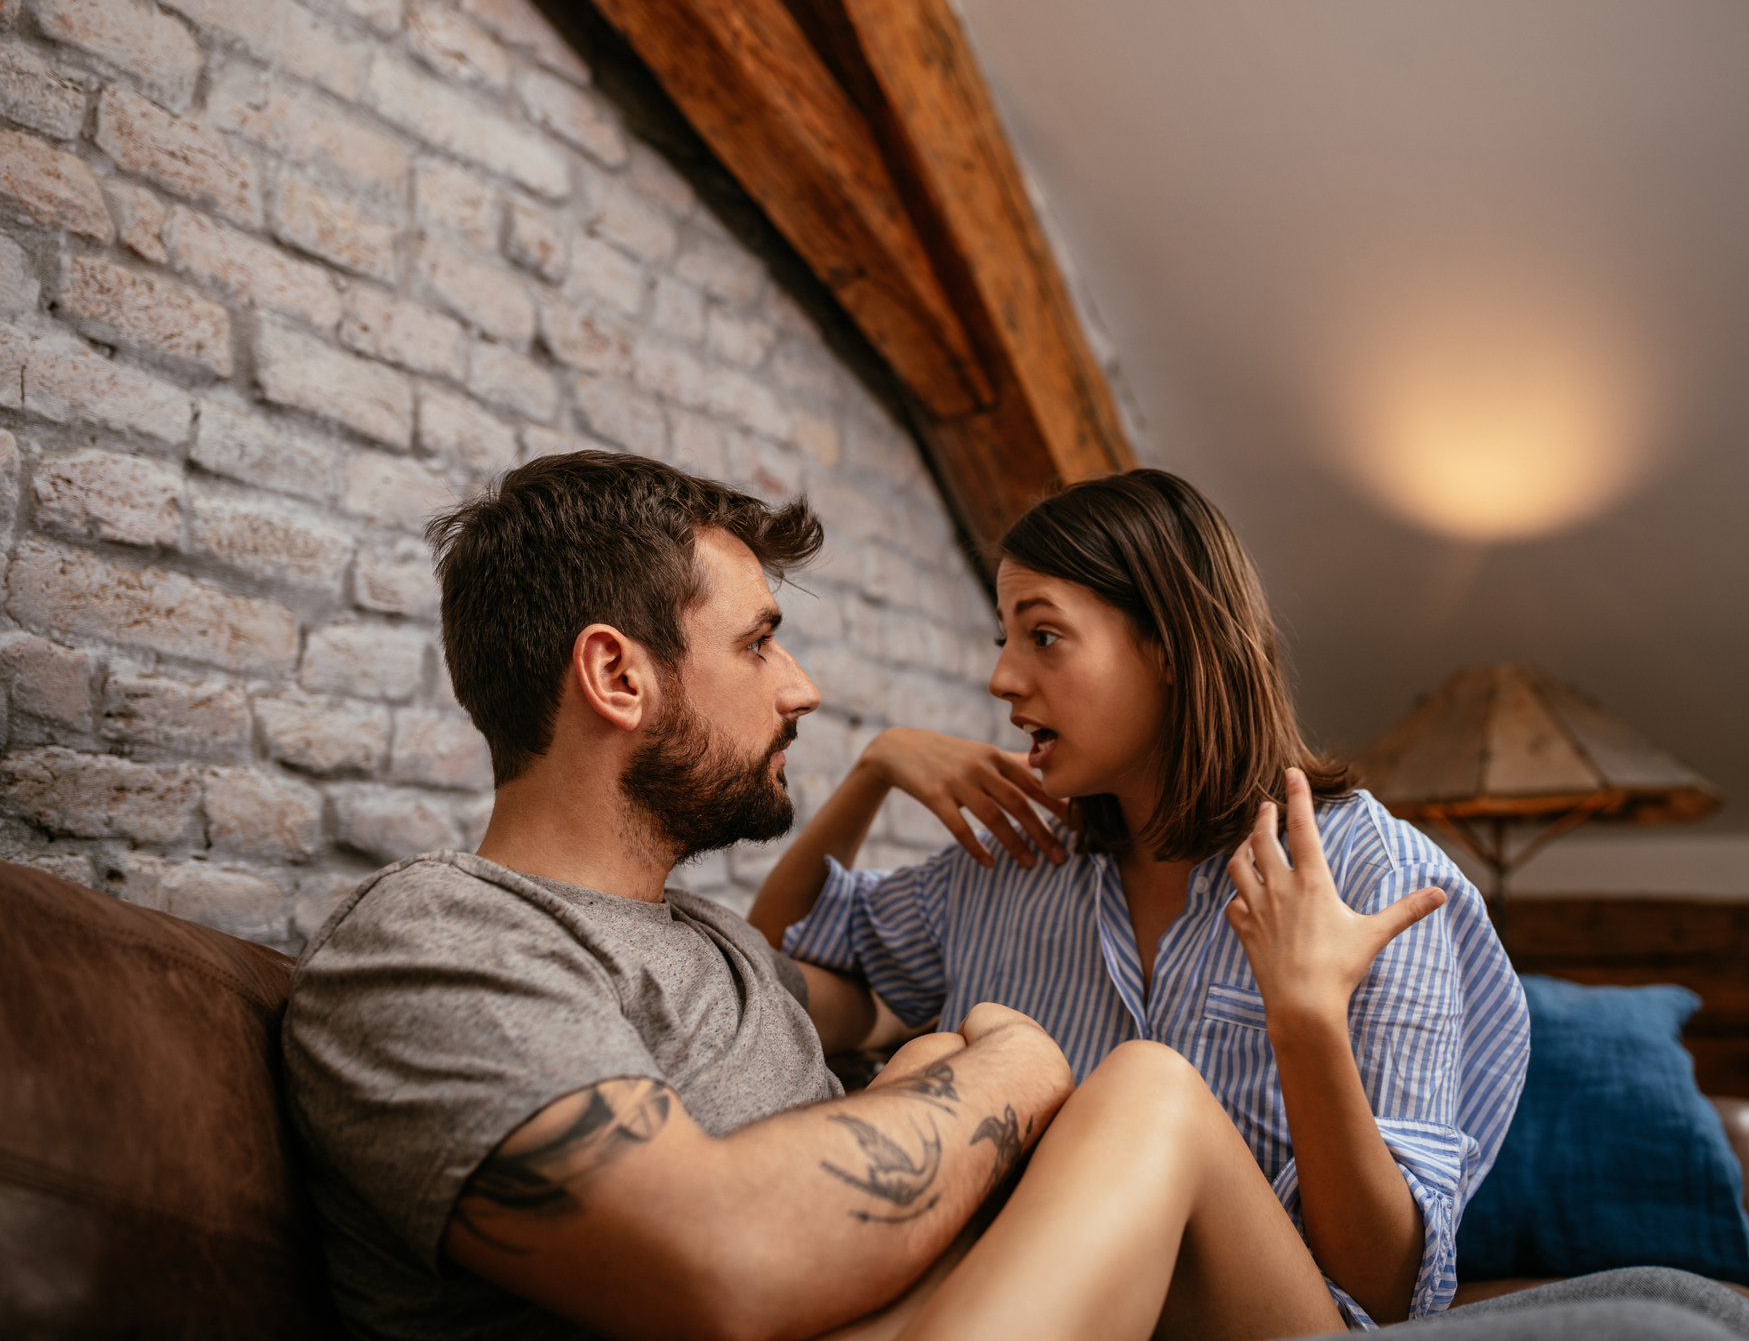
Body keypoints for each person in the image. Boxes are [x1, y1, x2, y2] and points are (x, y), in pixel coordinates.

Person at [278, 452, 1369, 1341]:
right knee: (1146, 1092)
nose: (801, 686)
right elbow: (719, 1264)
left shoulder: (718, 948)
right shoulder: (436, 937)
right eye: (758, 643)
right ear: (617, 678)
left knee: (1029, 1072)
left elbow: (833, 986)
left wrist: (941, 1063)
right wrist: (1019, 1059)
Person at [750, 469, 1533, 1327]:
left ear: (1168, 647)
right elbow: (774, 984)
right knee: (935, 1062)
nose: (1002, 679)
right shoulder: (1015, 861)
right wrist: (874, 770)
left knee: (1147, 1087)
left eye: (1043, 636)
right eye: (1003, 638)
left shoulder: (1370, 874)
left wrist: (1306, 1018)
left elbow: (1386, 1287)